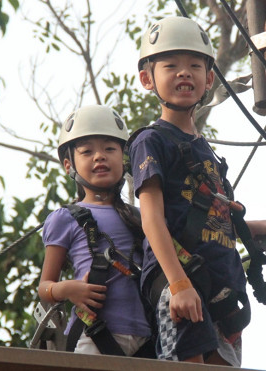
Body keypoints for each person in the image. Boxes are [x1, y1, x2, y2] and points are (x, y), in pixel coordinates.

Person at [128, 16, 266, 366]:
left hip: (221, 286)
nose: (184, 73)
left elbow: (217, 223)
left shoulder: (206, 152)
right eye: (170, 65)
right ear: (147, 79)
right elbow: (152, 220)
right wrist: (178, 284)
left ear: (208, 81)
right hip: (183, 279)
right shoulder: (152, 140)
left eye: (194, 66)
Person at [38, 105, 153, 357]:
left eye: (109, 149)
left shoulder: (143, 217)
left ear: (124, 160)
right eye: (87, 151)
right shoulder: (65, 218)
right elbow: (45, 286)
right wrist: (67, 289)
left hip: (148, 337)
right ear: (69, 165)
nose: (99, 156)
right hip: (94, 336)